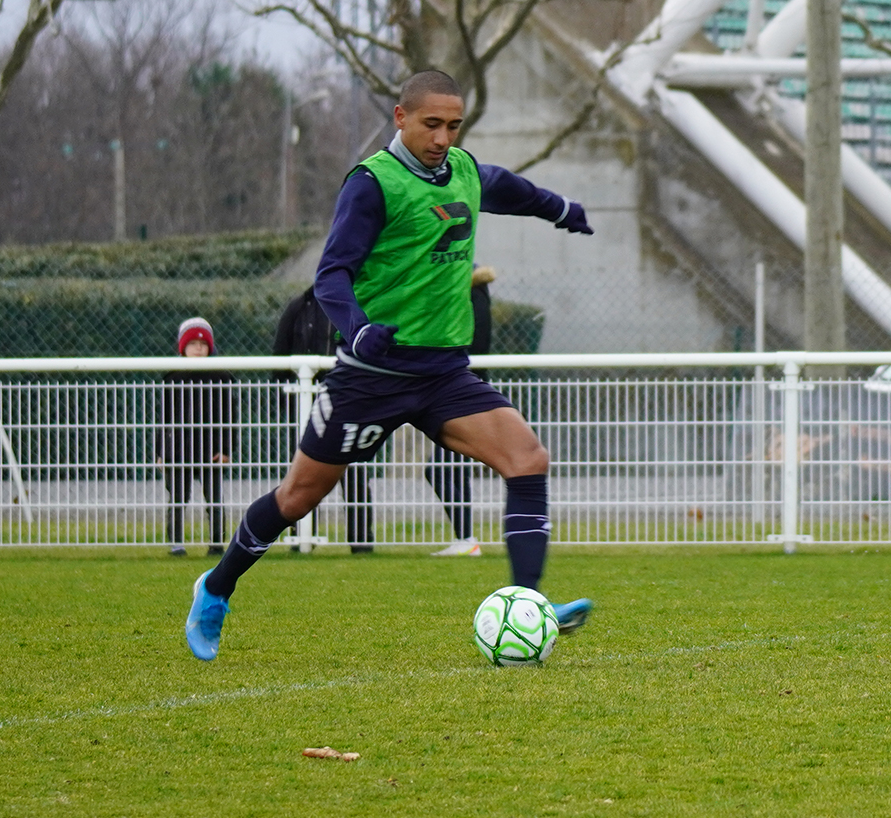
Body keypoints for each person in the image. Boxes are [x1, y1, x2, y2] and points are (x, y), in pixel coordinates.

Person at [184, 69, 594, 661]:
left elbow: (507, 189)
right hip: (370, 379)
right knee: (298, 497)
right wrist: (361, 328)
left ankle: (528, 604)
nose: (443, 137)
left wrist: (560, 209)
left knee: (527, 458)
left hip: (445, 375)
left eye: (453, 126)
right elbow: (330, 276)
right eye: (432, 124)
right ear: (401, 117)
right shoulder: (372, 184)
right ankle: (216, 589)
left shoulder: (463, 172)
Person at [271, 286, 375, 554]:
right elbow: (280, 357)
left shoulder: (361, 303)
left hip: (349, 401)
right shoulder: (299, 307)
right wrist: (286, 404)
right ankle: (302, 537)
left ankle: (361, 541)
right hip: (306, 405)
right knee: (305, 475)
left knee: (355, 472)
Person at [427, 264, 495, 557]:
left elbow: (473, 345)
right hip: (462, 389)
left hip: (461, 392)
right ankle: (466, 538)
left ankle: (467, 539)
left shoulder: (468, 296)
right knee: (448, 467)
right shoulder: (470, 294)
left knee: (440, 468)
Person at [157, 318, 236, 558]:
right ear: (182, 347)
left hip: (210, 450)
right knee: (178, 498)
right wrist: (161, 451)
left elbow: (230, 419)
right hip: (178, 450)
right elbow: (163, 419)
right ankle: (176, 543)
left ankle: (216, 543)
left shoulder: (222, 378)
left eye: (203, 344)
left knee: (214, 499)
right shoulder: (172, 378)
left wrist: (226, 450)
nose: (198, 348)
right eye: (192, 344)